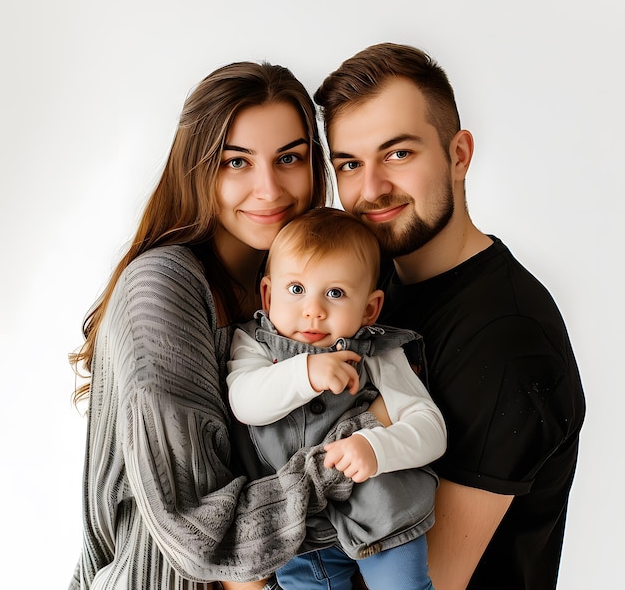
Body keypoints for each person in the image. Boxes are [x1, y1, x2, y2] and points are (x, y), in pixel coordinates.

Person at [68, 61, 378, 590]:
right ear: (198, 169)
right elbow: (200, 534)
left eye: (290, 159)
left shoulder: (303, 291)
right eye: (237, 162)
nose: (269, 188)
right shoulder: (162, 286)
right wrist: (347, 456)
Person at [314, 42, 586, 590]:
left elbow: (425, 581)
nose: (371, 189)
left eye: (398, 154)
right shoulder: (373, 286)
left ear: (458, 154)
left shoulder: (508, 340)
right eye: (349, 163)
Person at [227, 207, 447, 590]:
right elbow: (245, 402)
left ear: (369, 308)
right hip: (298, 526)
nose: (313, 310)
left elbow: (430, 428)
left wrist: (375, 447)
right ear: (267, 292)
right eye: (296, 289)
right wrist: (304, 373)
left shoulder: (378, 352)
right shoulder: (255, 345)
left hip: (382, 513)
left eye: (335, 292)